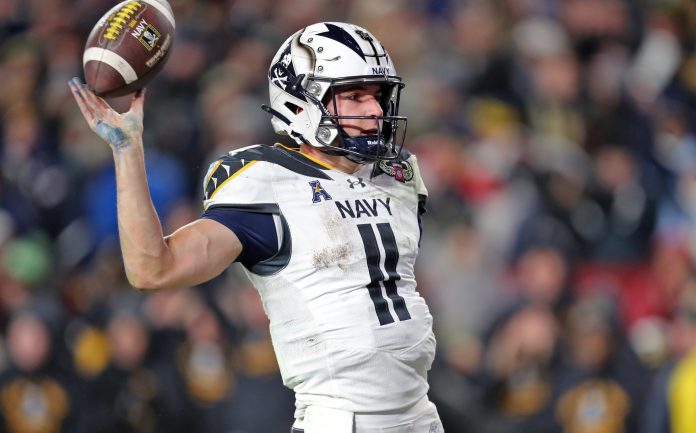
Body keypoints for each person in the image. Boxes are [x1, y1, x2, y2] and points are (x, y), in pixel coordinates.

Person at [69, 22, 443, 433]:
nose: (374, 110)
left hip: (420, 414)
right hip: (343, 420)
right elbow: (153, 269)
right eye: (354, 96)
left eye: (378, 95)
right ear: (301, 103)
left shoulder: (399, 176)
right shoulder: (266, 182)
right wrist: (127, 151)